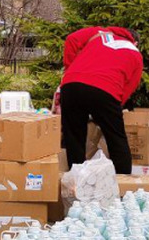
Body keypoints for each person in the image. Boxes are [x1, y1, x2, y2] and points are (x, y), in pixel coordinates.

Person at [59, 25, 144, 174]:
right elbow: (129, 87)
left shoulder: (100, 34)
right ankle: (122, 184)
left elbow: (72, 39)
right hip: (106, 89)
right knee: (116, 139)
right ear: (135, 42)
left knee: (74, 138)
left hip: (71, 84)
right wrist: (114, 108)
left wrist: (70, 68)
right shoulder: (135, 54)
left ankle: (75, 185)